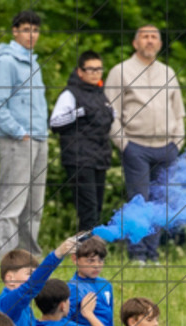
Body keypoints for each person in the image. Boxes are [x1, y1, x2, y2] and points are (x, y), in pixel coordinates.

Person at [105, 25, 186, 264]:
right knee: (138, 201)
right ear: (135, 43)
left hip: (166, 147)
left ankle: (153, 254)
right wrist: (124, 144)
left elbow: (179, 112)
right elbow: (110, 113)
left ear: (160, 44)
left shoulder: (168, 72)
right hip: (136, 146)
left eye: (154, 37)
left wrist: (177, 143)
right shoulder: (120, 72)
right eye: (145, 37)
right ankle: (137, 255)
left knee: (161, 202)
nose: (150, 41)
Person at [0, 10, 47, 259]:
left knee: (34, 207)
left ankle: (29, 261)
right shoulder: (6, 61)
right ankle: (6, 261)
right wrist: (19, 133)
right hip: (17, 141)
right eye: (25, 29)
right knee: (11, 205)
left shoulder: (33, 61)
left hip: (40, 139)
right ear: (15, 31)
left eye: (35, 30)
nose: (31, 35)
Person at [50, 51, 115, 232]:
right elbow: (54, 122)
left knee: (97, 209)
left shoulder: (100, 94)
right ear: (80, 72)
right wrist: (79, 112)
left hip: (99, 159)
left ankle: (88, 250)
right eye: (90, 69)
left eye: (99, 69)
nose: (95, 73)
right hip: (79, 159)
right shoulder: (70, 94)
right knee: (88, 210)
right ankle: (86, 254)